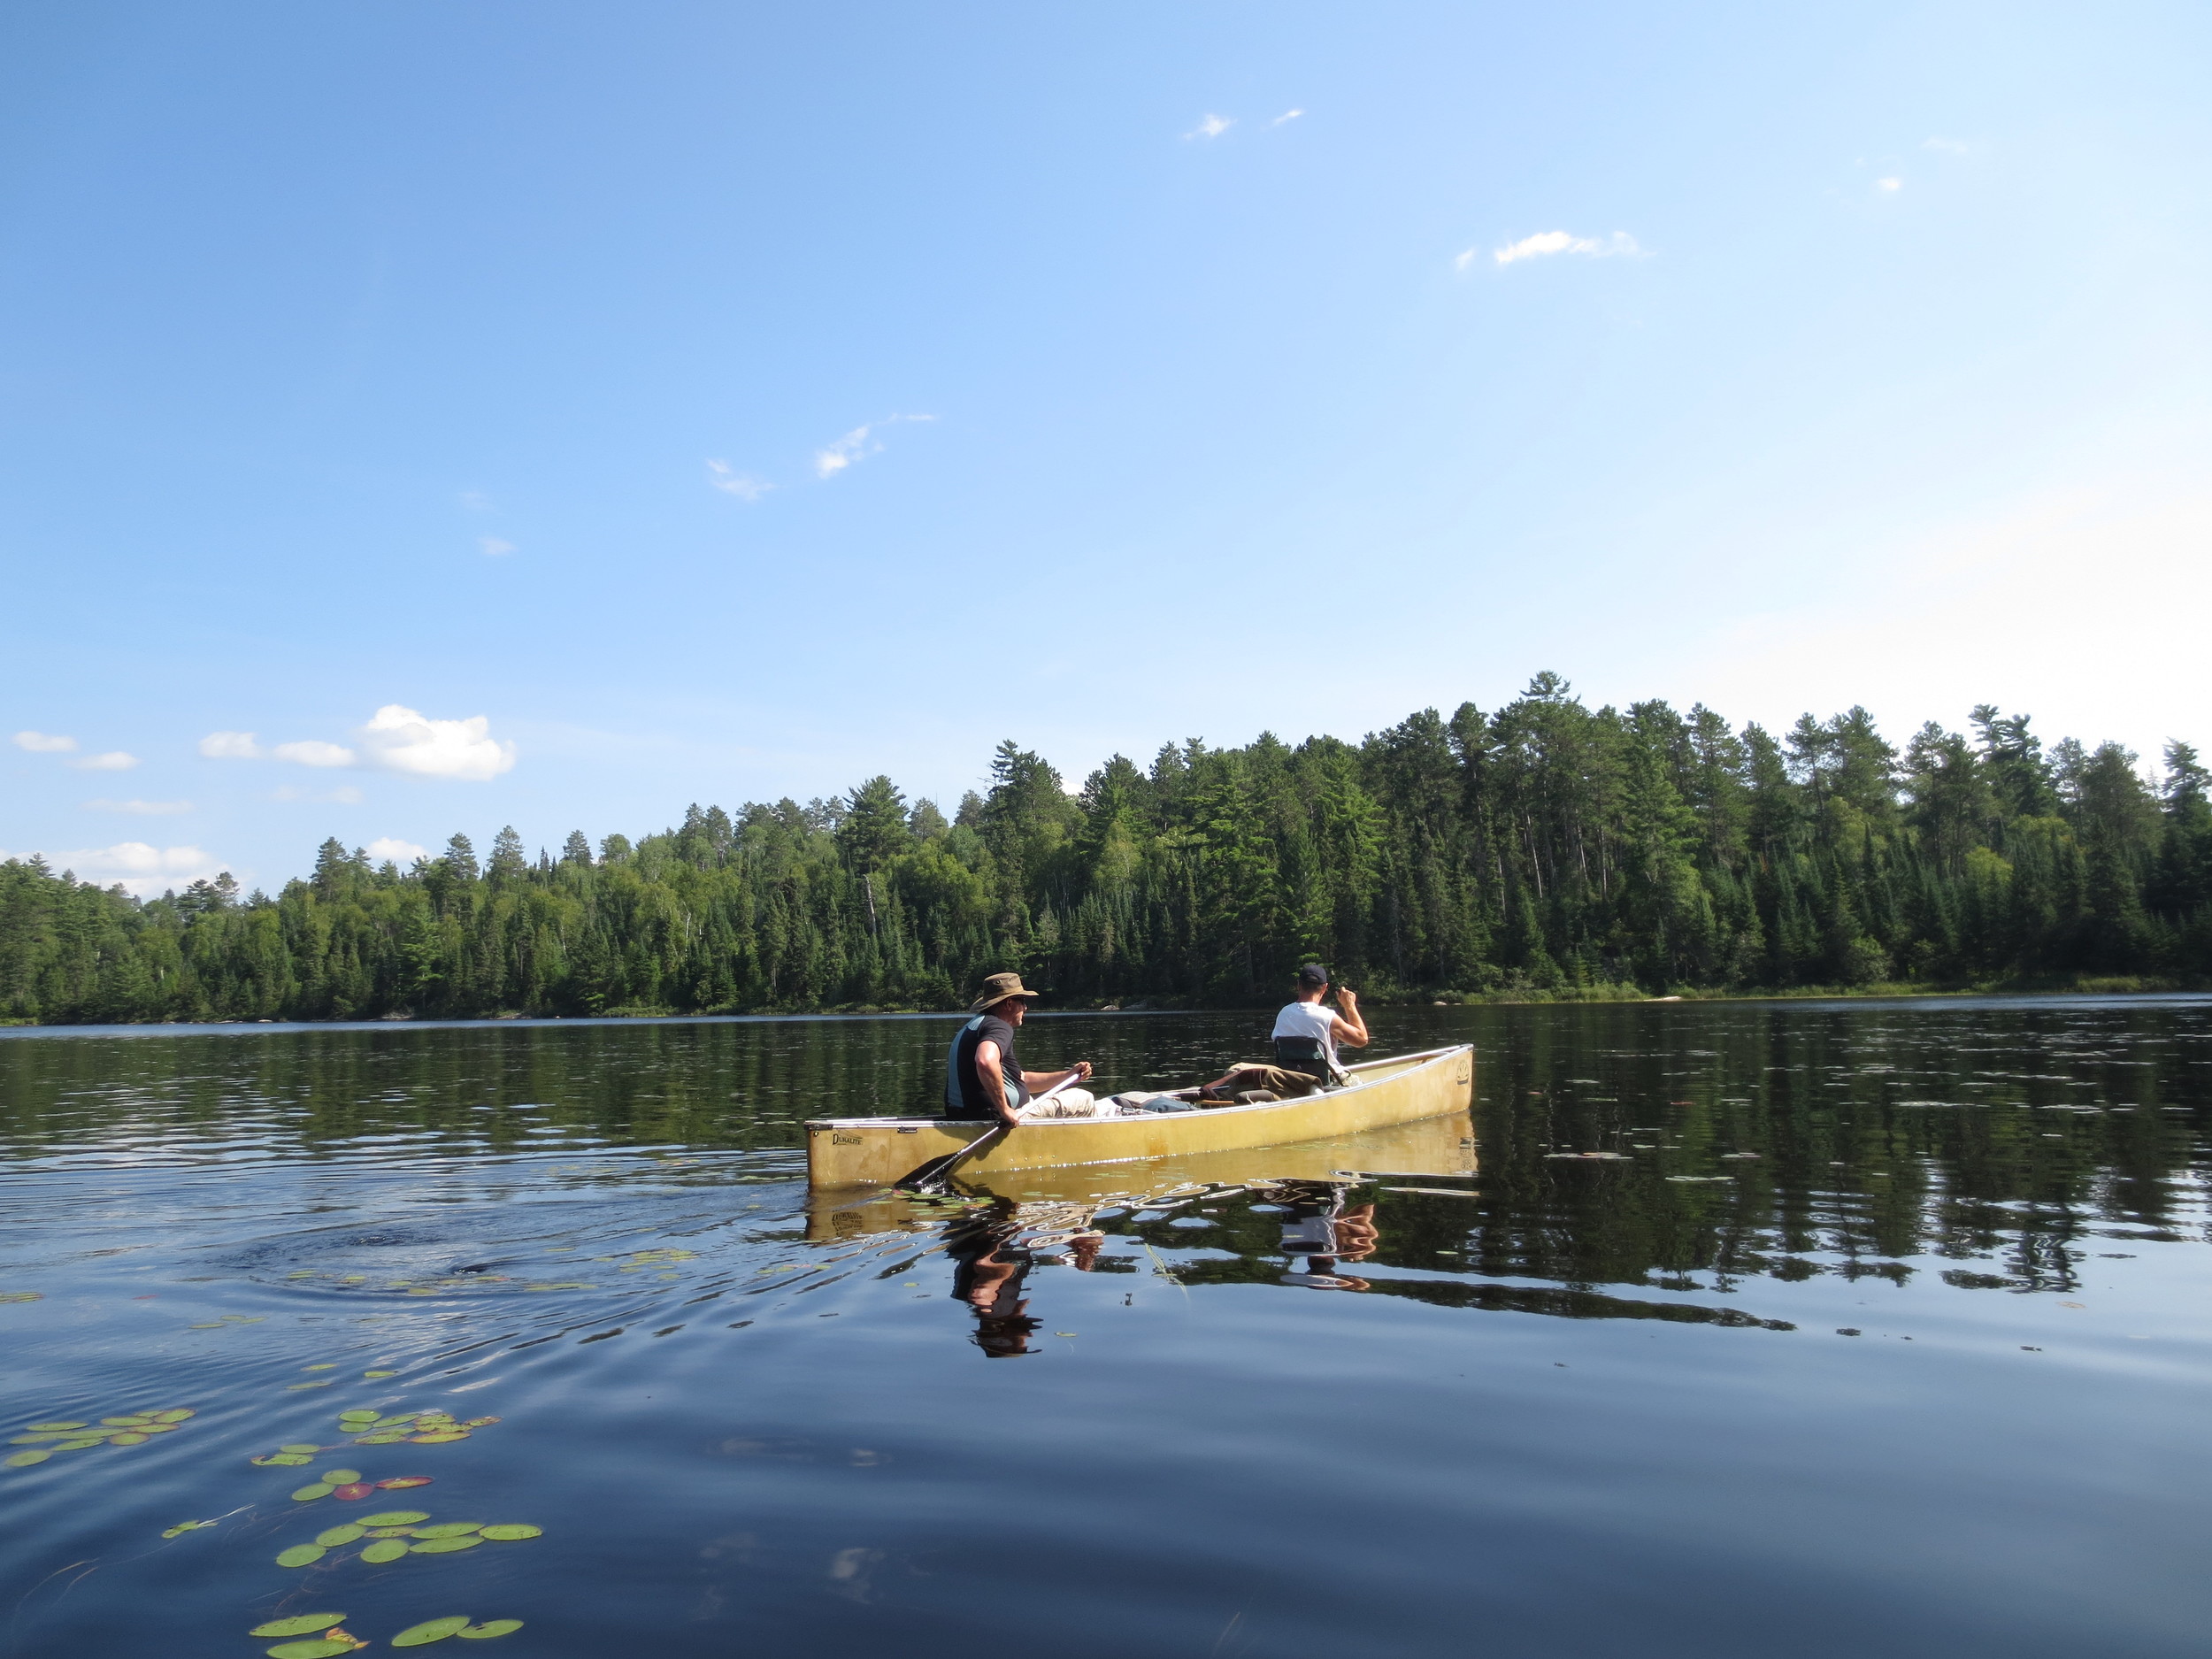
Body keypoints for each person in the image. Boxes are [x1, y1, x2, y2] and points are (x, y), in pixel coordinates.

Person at [1196, 962, 1370, 1102]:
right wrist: (1349, 1006)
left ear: (1298, 985)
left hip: (1291, 1079)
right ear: (1324, 988)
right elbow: (1361, 1039)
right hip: (1326, 1081)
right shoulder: (1327, 1016)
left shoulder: (1284, 1013)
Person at [944, 972, 1095, 1126]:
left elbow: (1021, 1080)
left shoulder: (974, 1026)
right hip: (995, 1119)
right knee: (1084, 1099)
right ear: (1009, 1003)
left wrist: (1069, 1075)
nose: (1025, 1007)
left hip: (964, 1115)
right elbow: (985, 1061)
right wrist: (1004, 1109)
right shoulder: (998, 1026)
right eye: (1022, 1001)